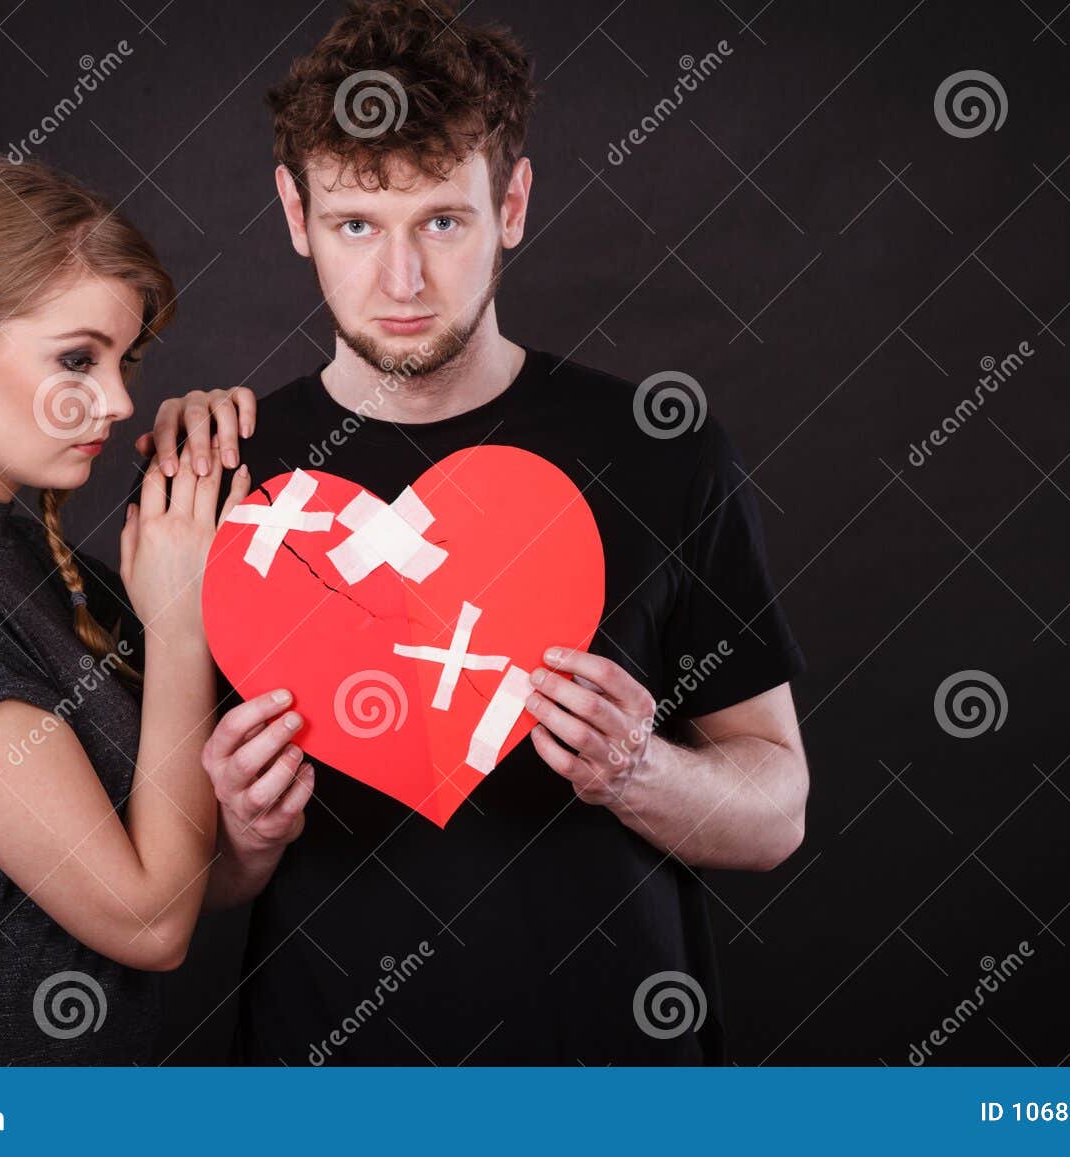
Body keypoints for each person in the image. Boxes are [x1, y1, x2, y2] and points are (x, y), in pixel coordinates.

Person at [139, 0, 811, 1064]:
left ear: (513, 203)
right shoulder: (219, 482)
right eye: (358, 224)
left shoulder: (661, 451)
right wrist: (242, 838)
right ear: (294, 213)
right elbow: (167, 892)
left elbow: (776, 809)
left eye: (441, 221)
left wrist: (640, 770)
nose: (401, 282)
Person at [0, 157, 298, 1064]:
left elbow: (154, 866)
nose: (116, 401)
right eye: (78, 358)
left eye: (124, 361)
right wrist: (179, 621)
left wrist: (247, 849)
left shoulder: (12, 547)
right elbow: (148, 922)